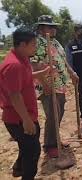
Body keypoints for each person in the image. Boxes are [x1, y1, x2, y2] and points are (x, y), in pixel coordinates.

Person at [0, 28, 50, 180]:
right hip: (18, 118)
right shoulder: (13, 65)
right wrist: (27, 121)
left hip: (26, 114)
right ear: (22, 44)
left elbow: (25, 77)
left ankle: (18, 168)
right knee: (33, 152)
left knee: (29, 146)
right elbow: (15, 95)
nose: (36, 47)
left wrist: (40, 75)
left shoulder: (23, 59)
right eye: (33, 44)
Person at [31, 15, 79, 158]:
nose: (54, 29)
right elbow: (33, 65)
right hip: (48, 86)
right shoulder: (38, 43)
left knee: (59, 112)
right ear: (41, 28)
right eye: (50, 26)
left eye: (54, 26)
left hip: (60, 85)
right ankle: (50, 145)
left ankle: (55, 139)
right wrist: (45, 84)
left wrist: (71, 72)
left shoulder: (55, 42)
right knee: (52, 114)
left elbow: (62, 60)